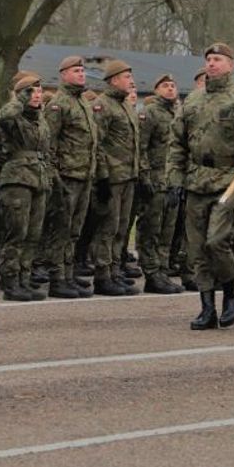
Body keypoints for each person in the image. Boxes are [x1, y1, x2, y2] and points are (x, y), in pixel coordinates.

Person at [167, 43, 234, 330]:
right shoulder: (193, 101)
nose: (212, 64)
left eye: (218, 59)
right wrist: (174, 180)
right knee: (197, 250)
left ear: (230, 65)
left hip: (230, 180)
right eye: (208, 59)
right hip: (197, 180)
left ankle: (231, 291)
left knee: (217, 241)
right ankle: (207, 306)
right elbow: (177, 144)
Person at [39, 56, 99, 299]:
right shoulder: (58, 104)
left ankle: (68, 273)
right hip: (66, 175)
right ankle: (56, 277)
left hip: (84, 174)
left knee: (75, 229)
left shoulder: (82, 102)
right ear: (63, 74)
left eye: (82, 70)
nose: (81, 74)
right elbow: (48, 143)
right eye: (76, 71)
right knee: (61, 229)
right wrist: (54, 176)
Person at [0, 74, 51, 301]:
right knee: (16, 232)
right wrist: (18, 98)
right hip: (17, 179)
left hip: (38, 178)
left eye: (39, 92)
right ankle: (10, 280)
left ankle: (24, 280)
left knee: (33, 234)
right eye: (31, 92)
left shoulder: (40, 119)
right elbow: (1, 116)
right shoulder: (13, 117)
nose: (36, 96)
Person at [90, 60, 142, 296]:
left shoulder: (126, 106)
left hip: (128, 176)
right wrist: (101, 176)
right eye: (126, 76)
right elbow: (97, 143)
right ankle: (102, 275)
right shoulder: (103, 105)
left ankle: (114, 271)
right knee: (108, 228)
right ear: (113, 80)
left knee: (121, 228)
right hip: (111, 177)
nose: (131, 80)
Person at [136, 74, 184, 294]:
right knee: (151, 230)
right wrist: (145, 177)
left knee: (168, 230)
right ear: (155, 90)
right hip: (155, 180)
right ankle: (152, 273)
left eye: (173, 85)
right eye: (165, 85)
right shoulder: (150, 113)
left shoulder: (178, 112)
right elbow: (141, 147)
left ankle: (163, 271)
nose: (170, 89)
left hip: (172, 181)